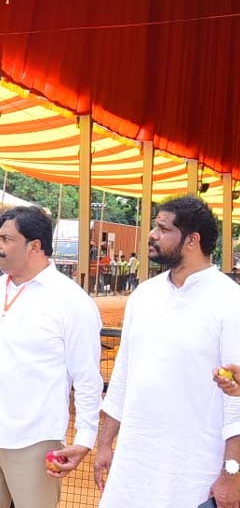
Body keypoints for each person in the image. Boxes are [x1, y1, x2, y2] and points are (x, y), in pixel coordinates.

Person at [0, 205, 102, 508]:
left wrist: (85, 437)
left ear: (35, 246)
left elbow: (86, 377)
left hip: (34, 439)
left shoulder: (71, 301)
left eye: (6, 238)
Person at [93, 195, 240, 507]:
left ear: (192, 240)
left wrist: (232, 472)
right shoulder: (144, 295)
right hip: (133, 468)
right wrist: (104, 444)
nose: (152, 235)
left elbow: (236, 403)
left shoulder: (229, 300)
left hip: (193, 474)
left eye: (162, 229)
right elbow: (122, 378)